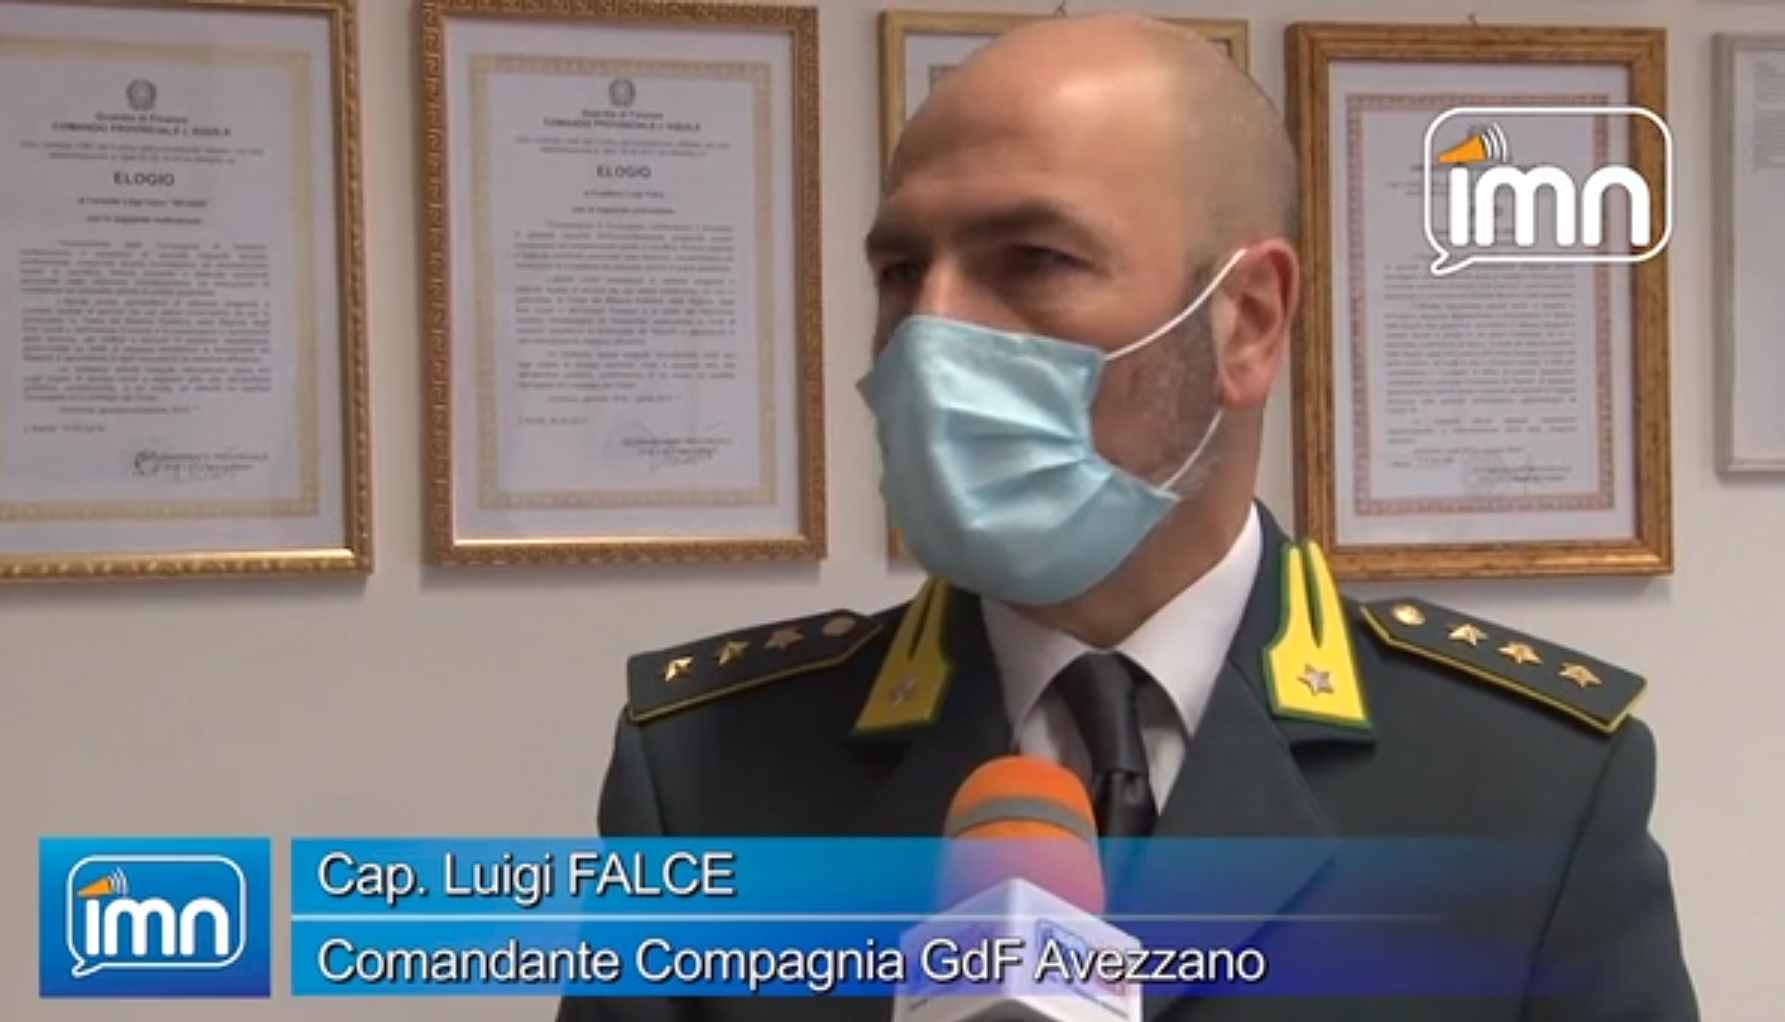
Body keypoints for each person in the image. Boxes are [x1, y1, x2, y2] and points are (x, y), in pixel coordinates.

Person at [557, 14, 1697, 1021]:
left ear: (1247, 323)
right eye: (902, 270)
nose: (931, 332)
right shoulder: (705, 776)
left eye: (1033, 259)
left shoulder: (1531, 787)